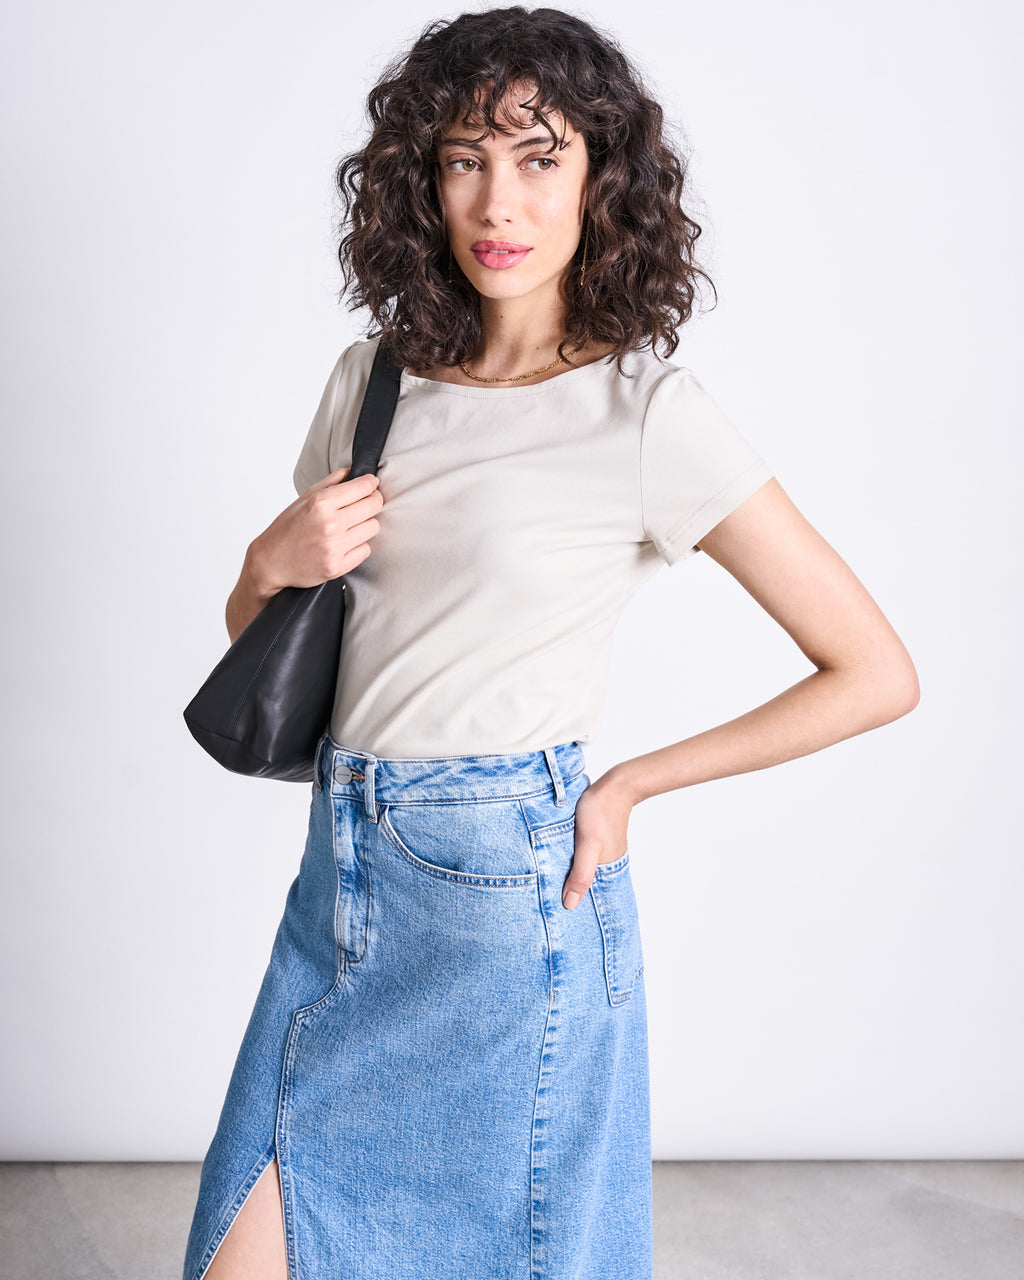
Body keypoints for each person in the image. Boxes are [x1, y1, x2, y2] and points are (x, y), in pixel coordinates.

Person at [181, 7, 919, 1280]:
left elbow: (874, 671)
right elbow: (281, 651)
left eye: (537, 159)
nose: (495, 201)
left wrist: (629, 784)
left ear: (601, 183)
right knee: (240, 1254)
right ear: (423, 178)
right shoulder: (374, 382)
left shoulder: (643, 412)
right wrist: (263, 565)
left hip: (508, 898)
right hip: (341, 879)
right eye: (464, 157)